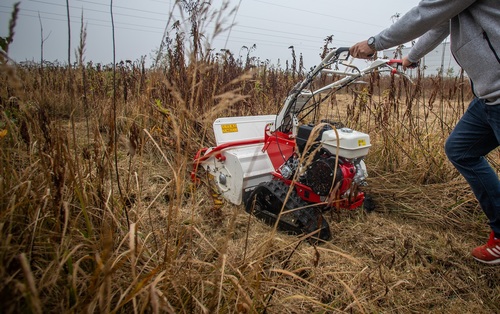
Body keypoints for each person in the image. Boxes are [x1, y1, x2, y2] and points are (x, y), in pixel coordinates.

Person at [350, 0, 500, 265]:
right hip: (488, 97)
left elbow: (425, 13)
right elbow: (440, 22)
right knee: (461, 150)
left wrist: (374, 43)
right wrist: (412, 57)